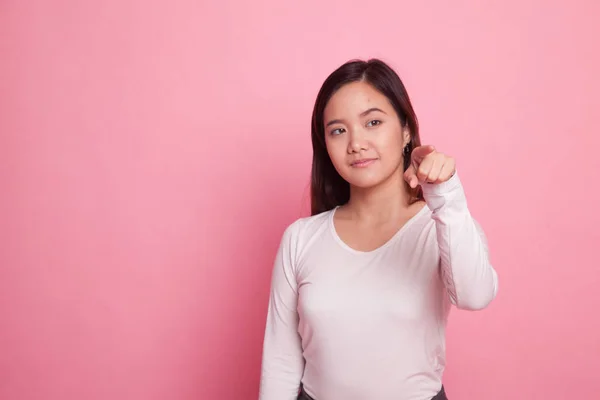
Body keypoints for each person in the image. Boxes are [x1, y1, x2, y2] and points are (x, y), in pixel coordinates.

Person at [258, 58, 499, 400]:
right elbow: (281, 362)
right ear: (325, 145)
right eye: (338, 130)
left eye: (372, 122)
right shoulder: (300, 238)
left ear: (404, 130)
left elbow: (476, 295)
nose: (356, 143)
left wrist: (446, 194)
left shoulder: (440, 225)